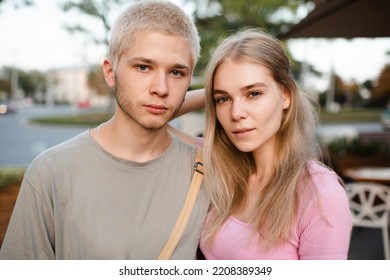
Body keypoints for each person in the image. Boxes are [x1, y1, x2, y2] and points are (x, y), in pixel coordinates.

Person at [0, 0, 210, 260]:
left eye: (177, 72)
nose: (161, 88)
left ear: (190, 79)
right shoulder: (52, 171)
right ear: (110, 72)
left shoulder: (208, 171)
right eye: (143, 67)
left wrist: (219, 91)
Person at [189, 28, 352, 259]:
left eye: (253, 94)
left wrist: (227, 89)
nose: (236, 113)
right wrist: (212, 91)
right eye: (223, 99)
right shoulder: (220, 165)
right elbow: (156, 123)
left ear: (286, 96)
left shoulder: (319, 193)